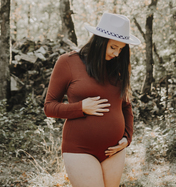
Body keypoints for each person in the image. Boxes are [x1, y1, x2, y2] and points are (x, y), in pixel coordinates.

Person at [44, 12, 141, 187]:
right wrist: (80, 107)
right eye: (113, 47)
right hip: (80, 149)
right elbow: (49, 107)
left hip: (114, 151)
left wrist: (127, 137)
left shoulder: (117, 67)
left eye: (121, 49)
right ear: (99, 41)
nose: (117, 54)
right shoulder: (68, 62)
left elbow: (126, 106)